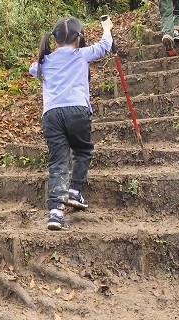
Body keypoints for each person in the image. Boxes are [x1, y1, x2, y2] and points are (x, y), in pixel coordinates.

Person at [29, 16, 113, 231]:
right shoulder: (81, 54)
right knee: (83, 149)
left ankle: (55, 213)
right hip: (77, 110)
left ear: (55, 39)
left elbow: (32, 70)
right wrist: (106, 27)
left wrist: (46, 59)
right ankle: (75, 191)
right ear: (79, 37)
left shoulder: (44, 61)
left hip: (51, 114)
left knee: (58, 161)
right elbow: (105, 46)